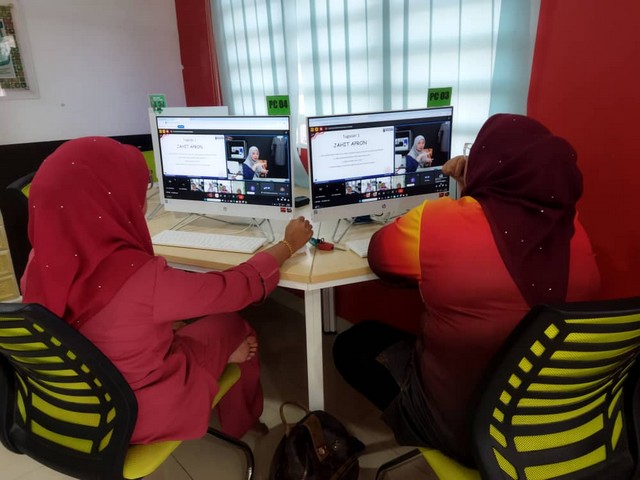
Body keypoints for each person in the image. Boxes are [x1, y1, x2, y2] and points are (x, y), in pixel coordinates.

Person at [332, 114, 600, 464]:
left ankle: (414, 420)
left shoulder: (437, 221)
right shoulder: (576, 231)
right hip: (543, 428)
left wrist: (466, 193)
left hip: (462, 431)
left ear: (487, 164)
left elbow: (379, 256)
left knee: (352, 344)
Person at [21, 136, 313, 445]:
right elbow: (235, 289)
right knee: (235, 326)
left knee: (173, 324)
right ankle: (242, 424)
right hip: (134, 414)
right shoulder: (142, 278)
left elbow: (98, 322)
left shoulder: (37, 265)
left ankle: (218, 367)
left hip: (71, 407)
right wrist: (287, 245)